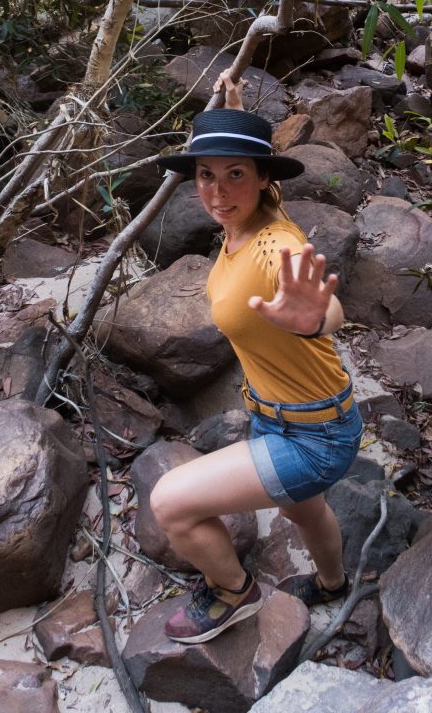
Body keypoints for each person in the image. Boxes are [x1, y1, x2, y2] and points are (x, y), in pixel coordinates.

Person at [150, 72, 363, 645]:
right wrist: (237, 117)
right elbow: (239, 182)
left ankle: (231, 591)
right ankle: (333, 583)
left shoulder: (277, 245)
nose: (218, 192)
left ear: (264, 178)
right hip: (294, 415)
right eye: (206, 175)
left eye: (236, 174)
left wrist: (314, 319)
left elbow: (330, 312)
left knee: (170, 504)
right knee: (305, 511)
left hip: (314, 438)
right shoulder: (248, 219)